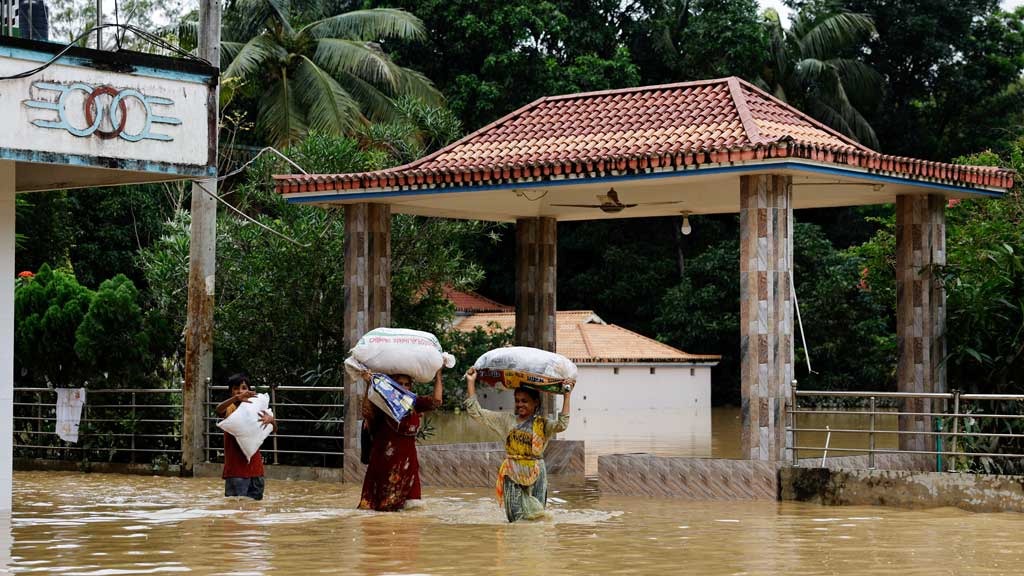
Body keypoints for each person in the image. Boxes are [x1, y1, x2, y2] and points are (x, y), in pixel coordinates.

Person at [463, 367, 571, 522]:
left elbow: (562, 424)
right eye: (517, 401)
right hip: (512, 472)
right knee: (516, 521)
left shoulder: (543, 424)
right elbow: (476, 412)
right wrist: (471, 382)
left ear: (535, 403)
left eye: (524, 401)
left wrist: (567, 395)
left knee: (538, 518)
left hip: (536, 473)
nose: (520, 404)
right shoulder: (506, 421)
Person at [358, 369, 443, 511]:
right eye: (400, 384)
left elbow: (436, 401)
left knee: (412, 510)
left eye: (407, 384)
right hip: (384, 465)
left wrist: (438, 374)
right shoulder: (383, 404)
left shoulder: (414, 403)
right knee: (380, 511)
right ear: (392, 385)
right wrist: (369, 384)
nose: (404, 387)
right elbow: (367, 411)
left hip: (408, 465)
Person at [215, 372, 277, 500]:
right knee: (234, 510)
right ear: (231, 392)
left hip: (256, 470)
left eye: (243, 388)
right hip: (236, 470)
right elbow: (218, 410)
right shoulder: (230, 408)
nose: (240, 391)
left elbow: (274, 430)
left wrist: (271, 421)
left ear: (249, 390)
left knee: (255, 510)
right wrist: (236, 399)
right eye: (236, 388)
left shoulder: (255, 407)